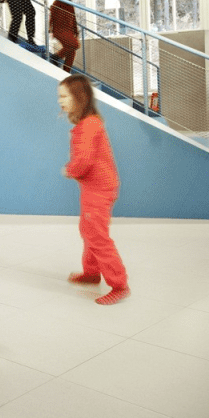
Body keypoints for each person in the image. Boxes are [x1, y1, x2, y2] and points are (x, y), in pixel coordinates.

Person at [58, 75, 129, 305]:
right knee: (88, 230)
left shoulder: (88, 125)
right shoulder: (88, 123)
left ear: (80, 98)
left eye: (63, 96)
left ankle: (119, 285)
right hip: (95, 187)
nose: (60, 101)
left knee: (97, 235)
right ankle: (91, 272)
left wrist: (70, 170)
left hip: (99, 189)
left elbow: (84, 161)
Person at [49, 0, 81, 71]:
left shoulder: (70, 5)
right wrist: (50, 27)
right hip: (59, 30)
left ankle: (66, 72)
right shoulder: (56, 3)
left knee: (72, 52)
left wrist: (77, 34)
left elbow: (74, 20)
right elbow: (51, 15)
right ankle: (56, 57)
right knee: (75, 44)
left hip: (69, 31)